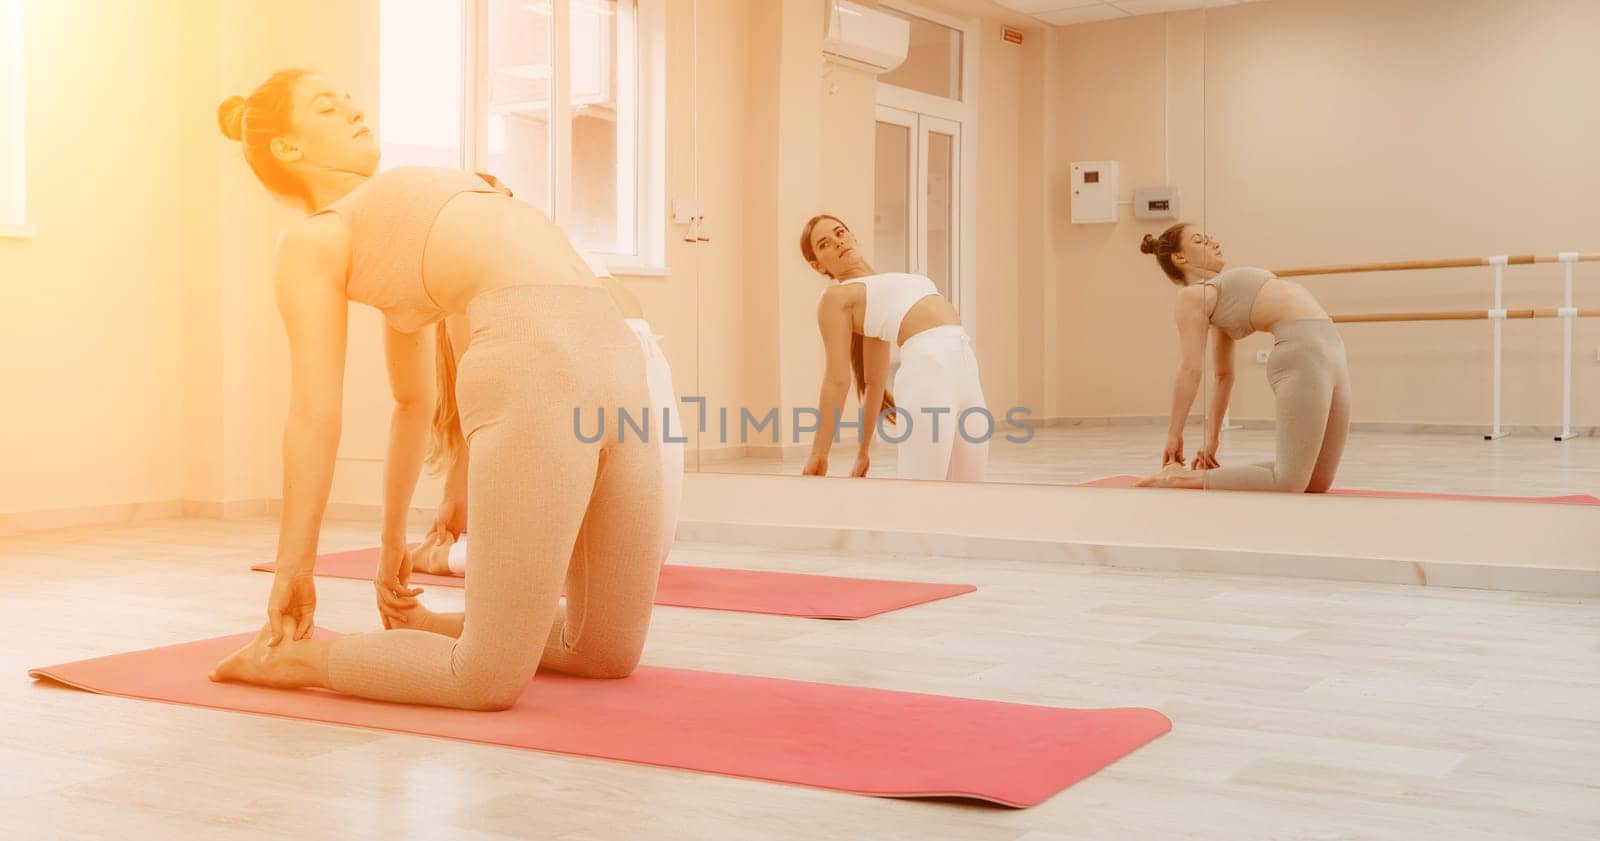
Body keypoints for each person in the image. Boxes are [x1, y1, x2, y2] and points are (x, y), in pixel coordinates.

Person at [207, 70, 666, 711]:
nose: (353, 110)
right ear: (288, 149)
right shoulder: (316, 238)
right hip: (540, 364)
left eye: (349, 99)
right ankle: (291, 658)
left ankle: (436, 634)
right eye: (326, 105)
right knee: (484, 684)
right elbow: (319, 413)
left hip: (616, 361)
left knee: (605, 653)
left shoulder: (419, 195)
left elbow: (417, 404)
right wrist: (297, 566)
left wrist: (400, 542)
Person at [1136, 223, 1351, 493]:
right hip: (1303, 353)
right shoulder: (1191, 297)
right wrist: (1173, 434)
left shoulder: (1217, 294)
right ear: (1180, 258)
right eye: (1200, 240)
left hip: (1332, 351)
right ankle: (1175, 479)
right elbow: (1190, 369)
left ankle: (1214, 477)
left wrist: (1212, 439)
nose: (1214, 242)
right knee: (1290, 482)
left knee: (1317, 482)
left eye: (1211, 237)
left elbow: (1224, 376)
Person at [798, 215, 988, 481]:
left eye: (840, 233)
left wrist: (864, 451)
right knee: (920, 494)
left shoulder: (884, 284)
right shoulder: (835, 297)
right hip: (928, 371)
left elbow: (875, 382)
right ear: (818, 265)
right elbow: (837, 380)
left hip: (966, 369)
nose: (838, 242)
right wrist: (819, 454)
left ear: (853, 236)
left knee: (971, 489)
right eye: (825, 243)